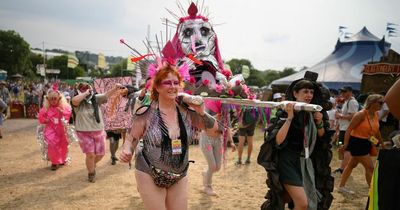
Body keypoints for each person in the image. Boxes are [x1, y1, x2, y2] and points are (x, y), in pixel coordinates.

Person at [119, 63, 218, 210]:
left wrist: (202, 112)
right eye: (167, 82)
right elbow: (130, 138)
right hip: (148, 172)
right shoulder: (146, 112)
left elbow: (215, 132)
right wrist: (127, 150)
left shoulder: (186, 112)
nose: (172, 86)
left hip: (179, 174)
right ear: (157, 87)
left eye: (176, 83)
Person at [258, 78, 332, 210]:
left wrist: (319, 122)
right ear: (296, 93)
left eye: (311, 92)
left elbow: (322, 139)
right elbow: (277, 141)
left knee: (285, 198)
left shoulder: (313, 111)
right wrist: (289, 118)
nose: (309, 95)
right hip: (287, 161)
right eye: (305, 91)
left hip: (305, 162)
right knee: (303, 203)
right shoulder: (285, 111)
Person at [72, 82, 123, 182]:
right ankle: (91, 173)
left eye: (87, 88)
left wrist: (115, 88)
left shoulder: (95, 98)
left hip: (98, 130)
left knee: (100, 154)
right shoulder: (77, 101)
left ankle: (91, 164)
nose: (86, 89)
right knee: (90, 154)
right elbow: (75, 100)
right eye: (83, 88)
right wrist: (85, 94)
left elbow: (105, 95)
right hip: (83, 132)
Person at [338, 94, 386, 194]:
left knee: (352, 165)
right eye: (380, 103)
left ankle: (341, 186)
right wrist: (346, 145)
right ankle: (372, 191)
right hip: (357, 142)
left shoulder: (376, 114)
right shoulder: (360, 114)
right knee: (370, 167)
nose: (383, 105)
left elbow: (377, 131)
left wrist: (381, 143)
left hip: (367, 142)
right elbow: (349, 129)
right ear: (372, 103)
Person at [200, 101, 236, 196]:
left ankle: (206, 174)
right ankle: (207, 187)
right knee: (212, 166)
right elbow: (201, 122)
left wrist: (232, 142)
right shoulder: (208, 108)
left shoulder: (226, 113)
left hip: (218, 140)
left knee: (217, 167)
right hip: (206, 139)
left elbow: (227, 127)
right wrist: (215, 117)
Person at [38, 86, 72, 170]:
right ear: (48, 99)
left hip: (61, 129)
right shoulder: (45, 108)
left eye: (55, 98)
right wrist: (45, 120)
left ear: (59, 98)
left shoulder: (64, 107)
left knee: (63, 144)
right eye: (51, 99)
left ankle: (62, 159)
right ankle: (54, 162)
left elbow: (68, 115)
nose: (53, 100)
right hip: (50, 129)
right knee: (52, 143)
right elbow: (41, 117)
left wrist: (62, 113)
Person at [333, 86, 359, 175]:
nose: (342, 93)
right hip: (343, 129)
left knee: (346, 149)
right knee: (342, 147)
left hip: (347, 130)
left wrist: (340, 116)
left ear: (350, 92)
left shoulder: (352, 102)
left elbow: (353, 116)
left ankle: (343, 169)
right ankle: (343, 167)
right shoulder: (347, 101)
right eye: (342, 91)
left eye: (345, 91)